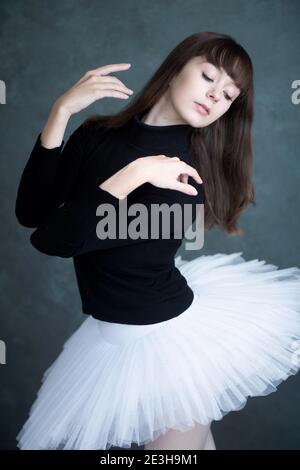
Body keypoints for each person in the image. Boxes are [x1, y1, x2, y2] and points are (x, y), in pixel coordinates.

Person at [15, 32, 300, 450]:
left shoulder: (186, 174)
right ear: (175, 69)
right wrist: (60, 114)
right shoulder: (96, 135)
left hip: (169, 346)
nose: (214, 96)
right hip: (110, 340)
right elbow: (32, 215)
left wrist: (135, 175)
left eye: (227, 96)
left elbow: (56, 241)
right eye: (208, 77)